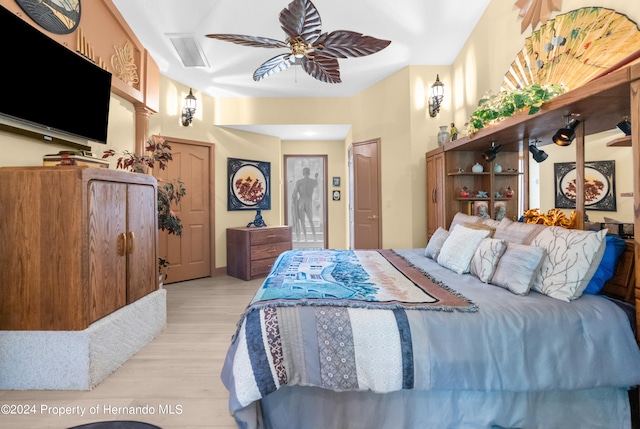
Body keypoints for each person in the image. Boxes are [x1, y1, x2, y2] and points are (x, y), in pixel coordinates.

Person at [292, 167, 318, 241]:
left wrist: (294, 201)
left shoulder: (299, 182)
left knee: (302, 222)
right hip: (308, 201)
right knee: (311, 220)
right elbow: (316, 184)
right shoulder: (313, 181)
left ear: (303, 173)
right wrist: (316, 177)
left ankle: (306, 238)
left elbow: (294, 194)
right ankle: (314, 238)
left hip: (301, 202)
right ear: (309, 173)